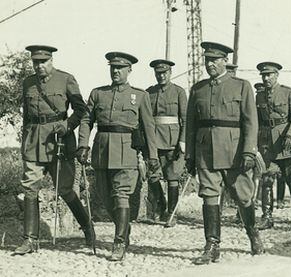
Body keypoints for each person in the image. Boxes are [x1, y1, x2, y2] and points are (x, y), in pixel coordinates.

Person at [186, 41, 264, 265]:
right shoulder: (197, 89)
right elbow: (191, 125)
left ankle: (253, 233)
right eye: (207, 60)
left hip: (234, 152)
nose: (210, 64)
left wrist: (249, 151)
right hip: (205, 151)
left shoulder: (241, 86)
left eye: (214, 60)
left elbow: (251, 122)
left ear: (224, 61)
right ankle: (212, 245)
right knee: (209, 195)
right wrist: (190, 155)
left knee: (243, 196)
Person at [76, 51, 160, 261]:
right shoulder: (98, 93)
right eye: (113, 67)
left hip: (127, 151)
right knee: (106, 198)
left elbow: (149, 127)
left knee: (120, 195)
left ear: (129, 70)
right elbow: (86, 121)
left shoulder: (140, 96)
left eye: (120, 68)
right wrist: (83, 145)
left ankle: (119, 242)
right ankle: (124, 230)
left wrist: (152, 156)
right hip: (102, 151)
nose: (116, 71)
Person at [15, 45, 95, 255]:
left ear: (51, 61)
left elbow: (81, 111)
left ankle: (87, 228)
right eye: (35, 62)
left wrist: (68, 126)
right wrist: (24, 141)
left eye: (43, 62)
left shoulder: (66, 79)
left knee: (66, 189)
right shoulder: (28, 83)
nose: (39, 66)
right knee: (30, 187)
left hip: (59, 141)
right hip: (34, 141)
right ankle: (30, 240)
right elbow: (26, 117)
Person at [255, 62, 291, 230]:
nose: (266, 78)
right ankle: (267, 217)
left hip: (286, 142)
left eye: (269, 75)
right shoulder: (259, 96)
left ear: (276, 75)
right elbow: (258, 121)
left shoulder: (288, 92)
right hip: (268, 143)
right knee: (267, 178)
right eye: (263, 75)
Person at [146, 59, 187, 227]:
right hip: (154, 140)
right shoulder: (149, 92)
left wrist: (183, 140)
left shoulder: (179, 92)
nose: (161, 76)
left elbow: (185, 119)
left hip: (173, 141)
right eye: (158, 73)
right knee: (153, 176)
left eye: (164, 73)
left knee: (172, 178)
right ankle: (161, 207)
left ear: (170, 73)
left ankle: (172, 213)